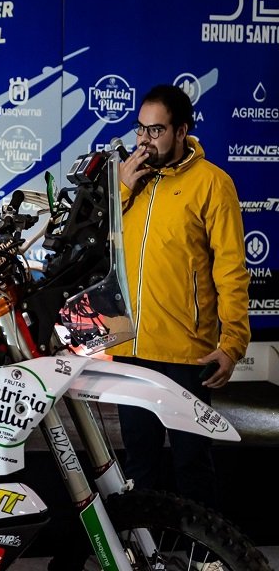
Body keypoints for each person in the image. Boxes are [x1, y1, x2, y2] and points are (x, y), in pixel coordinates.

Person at [107, 84, 251, 509]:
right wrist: (121, 190)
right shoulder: (126, 180)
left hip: (187, 353)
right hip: (132, 349)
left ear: (182, 131)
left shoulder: (213, 184)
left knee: (192, 464)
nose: (144, 140)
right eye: (140, 128)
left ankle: (202, 545)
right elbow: (95, 243)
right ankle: (140, 542)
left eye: (156, 130)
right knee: (139, 465)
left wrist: (233, 342)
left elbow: (231, 270)